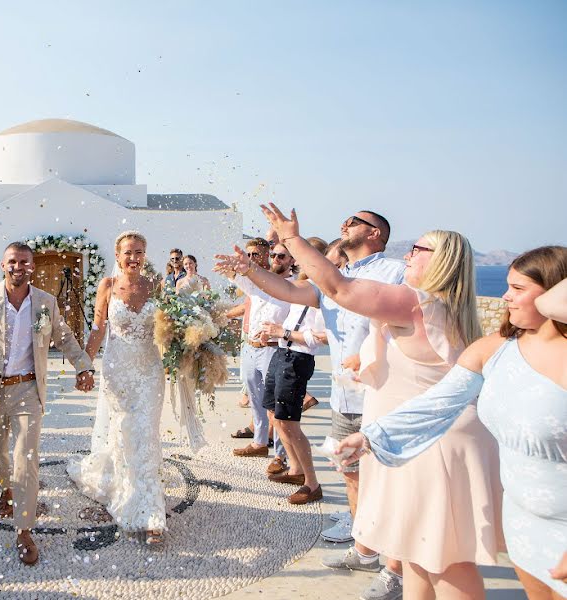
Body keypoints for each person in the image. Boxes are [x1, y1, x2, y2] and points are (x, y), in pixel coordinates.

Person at [262, 203, 502, 599]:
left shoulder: (417, 302)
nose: (409, 253)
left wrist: (290, 237)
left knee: (445, 563)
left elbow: (339, 288)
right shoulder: (433, 304)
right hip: (410, 443)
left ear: (440, 261)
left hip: (431, 448)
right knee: (417, 560)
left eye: (419, 250)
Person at [339, 246, 567, 600]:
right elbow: (437, 405)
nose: (506, 296)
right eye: (507, 285)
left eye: (519, 289)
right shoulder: (495, 349)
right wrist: (369, 438)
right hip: (524, 521)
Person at [216, 208, 406, 599]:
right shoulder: (334, 278)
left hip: (382, 395)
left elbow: (339, 290)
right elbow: (287, 291)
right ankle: (364, 548)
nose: (344, 224)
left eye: (354, 221)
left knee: (389, 485)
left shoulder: (391, 272)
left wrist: (290, 240)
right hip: (344, 395)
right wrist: (250, 271)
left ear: (376, 234)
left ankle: (396, 569)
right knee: (350, 475)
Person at [0, 242, 94, 566]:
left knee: (26, 457)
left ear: (32, 267)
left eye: (24, 262)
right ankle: (6, 488)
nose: (18, 267)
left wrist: (83, 365)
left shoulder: (43, 304)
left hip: (27, 389)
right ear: (3, 265)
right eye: (12, 261)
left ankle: (24, 529)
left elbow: (63, 338)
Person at [68, 231, 168, 545]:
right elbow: (98, 328)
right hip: (118, 371)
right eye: (128, 252)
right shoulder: (108, 286)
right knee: (124, 431)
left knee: (146, 432)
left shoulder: (156, 286)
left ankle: (152, 513)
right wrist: (86, 363)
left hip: (150, 371)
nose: (134, 258)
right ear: (117, 253)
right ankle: (126, 491)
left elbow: (169, 329)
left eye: (139, 252)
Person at [258, 237, 329, 504]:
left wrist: (284, 333)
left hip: (297, 360)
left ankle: (312, 483)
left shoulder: (323, 292)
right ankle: (297, 470)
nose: (297, 259)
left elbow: (321, 337)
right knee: (274, 415)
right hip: (282, 354)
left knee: (289, 422)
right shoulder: (301, 287)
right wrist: (275, 337)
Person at [224, 237, 293, 460]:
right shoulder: (261, 282)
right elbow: (240, 282)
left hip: (275, 349)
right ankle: (260, 442)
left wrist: (280, 330)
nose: (275, 259)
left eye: (280, 256)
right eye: (274, 255)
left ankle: (281, 456)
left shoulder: (294, 286)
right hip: (251, 348)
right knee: (255, 400)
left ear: (292, 260)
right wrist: (231, 270)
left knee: (276, 407)